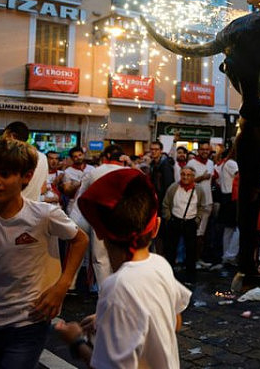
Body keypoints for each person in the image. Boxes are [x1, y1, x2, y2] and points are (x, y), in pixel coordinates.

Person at [0, 139, 88, 368]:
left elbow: (80, 239)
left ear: (26, 176)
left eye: (4, 174)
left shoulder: (43, 215)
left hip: (29, 321)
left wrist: (62, 286)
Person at [54, 168, 191, 368]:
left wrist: (76, 341)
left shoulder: (115, 287)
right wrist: (105, 318)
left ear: (99, 234)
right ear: (156, 227)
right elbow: (174, 322)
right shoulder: (160, 265)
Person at [68, 144, 127, 290]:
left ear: (106, 157)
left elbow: (81, 197)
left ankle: (102, 292)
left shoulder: (95, 172)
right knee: (119, 256)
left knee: (100, 258)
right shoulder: (129, 172)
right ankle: (117, 290)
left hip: (98, 219)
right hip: (120, 220)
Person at [162, 166, 209, 283]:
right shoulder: (173, 188)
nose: (185, 177)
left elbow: (202, 206)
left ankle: (190, 277)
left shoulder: (199, 190)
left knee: (191, 251)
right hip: (175, 221)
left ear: (193, 177)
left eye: (188, 175)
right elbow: (165, 204)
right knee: (171, 250)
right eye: (183, 174)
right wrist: (169, 218)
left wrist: (197, 220)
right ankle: (168, 275)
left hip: (190, 222)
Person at [2, 121, 48, 202]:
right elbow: (43, 187)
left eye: (4, 136)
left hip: (8, 209)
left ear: (11, 136)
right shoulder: (43, 157)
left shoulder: (8, 156)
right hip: (33, 209)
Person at [186, 142, 214, 268]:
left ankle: (198, 259)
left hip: (208, 201)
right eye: (202, 149)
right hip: (195, 202)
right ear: (198, 150)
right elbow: (185, 180)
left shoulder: (211, 163)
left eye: (207, 150)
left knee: (202, 233)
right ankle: (192, 260)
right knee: (194, 233)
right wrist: (201, 178)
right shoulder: (191, 163)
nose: (204, 151)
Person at [62, 146, 95, 214]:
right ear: (72, 158)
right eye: (75, 156)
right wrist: (79, 184)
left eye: (80, 155)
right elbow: (67, 191)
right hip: (74, 204)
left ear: (83, 155)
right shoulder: (68, 172)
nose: (78, 158)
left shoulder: (92, 169)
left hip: (90, 203)